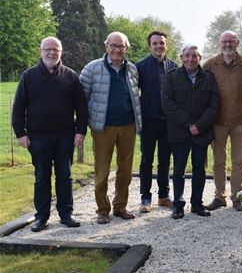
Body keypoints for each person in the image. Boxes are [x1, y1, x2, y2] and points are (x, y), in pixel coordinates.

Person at [12, 37, 88, 232]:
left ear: (61, 52)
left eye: (55, 49)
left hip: (65, 137)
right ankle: (42, 217)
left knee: (65, 176)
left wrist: (80, 131)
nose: (52, 53)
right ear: (41, 51)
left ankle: (66, 214)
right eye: (48, 49)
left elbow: (81, 107)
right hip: (38, 138)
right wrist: (21, 133)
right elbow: (18, 107)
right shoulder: (28, 76)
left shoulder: (71, 76)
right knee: (41, 177)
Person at [80, 32, 142, 224]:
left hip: (128, 126)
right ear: (106, 46)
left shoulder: (132, 69)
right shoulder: (92, 68)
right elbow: (81, 99)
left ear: (126, 48)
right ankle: (103, 210)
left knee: (125, 169)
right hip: (103, 128)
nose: (117, 49)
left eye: (121, 46)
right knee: (102, 170)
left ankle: (120, 206)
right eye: (113, 45)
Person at [162, 45, 219, 219]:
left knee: (199, 170)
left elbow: (214, 104)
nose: (190, 59)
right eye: (187, 56)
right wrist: (189, 123)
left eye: (194, 56)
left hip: (201, 133)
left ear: (199, 58)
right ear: (181, 57)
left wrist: (199, 125)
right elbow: (168, 104)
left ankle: (197, 204)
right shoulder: (171, 77)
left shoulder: (209, 78)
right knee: (178, 170)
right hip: (179, 132)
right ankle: (178, 205)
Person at [203, 31, 242, 212]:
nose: (227, 45)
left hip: (240, 120)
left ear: (237, 43)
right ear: (219, 43)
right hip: (217, 120)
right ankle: (219, 197)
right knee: (218, 161)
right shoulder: (210, 64)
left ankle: (237, 197)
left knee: (238, 161)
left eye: (231, 41)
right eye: (224, 42)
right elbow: (204, 92)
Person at [135, 31, 178, 213]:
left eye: (162, 43)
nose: (159, 46)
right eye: (155, 43)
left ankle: (163, 195)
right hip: (148, 120)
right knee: (146, 160)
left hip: (168, 121)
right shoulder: (140, 67)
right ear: (149, 46)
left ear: (166, 45)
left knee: (165, 161)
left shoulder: (174, 67)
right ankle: (145, 198)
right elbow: (133, 93)